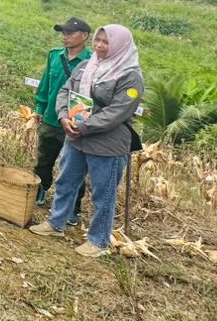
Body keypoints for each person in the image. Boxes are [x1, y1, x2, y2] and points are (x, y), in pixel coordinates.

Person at [31, 25, 144, 258]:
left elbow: (118, 112)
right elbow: (65, 90)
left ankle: (98, 240)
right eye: (98, 40)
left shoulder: (130, 77)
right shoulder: (87, 65)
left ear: (120, 45)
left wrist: (83, 126)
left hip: (106, 144)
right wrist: (63, 116)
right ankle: (56, 223)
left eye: (106, 42)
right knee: (66, 181)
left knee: (103, 193)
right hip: (76, 137)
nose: (100, 45)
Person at [32, 17, 92, 223]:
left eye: (70, 33)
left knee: (75, 167)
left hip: (75, 123)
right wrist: (39, 106)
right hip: (50, 118)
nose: (65, 36)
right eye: (63, 32)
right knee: (43, 160)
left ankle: (73, 208)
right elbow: (45, 82)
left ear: (84, 36)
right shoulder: (54, 56)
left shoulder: (92, 62)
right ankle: (39, 191)